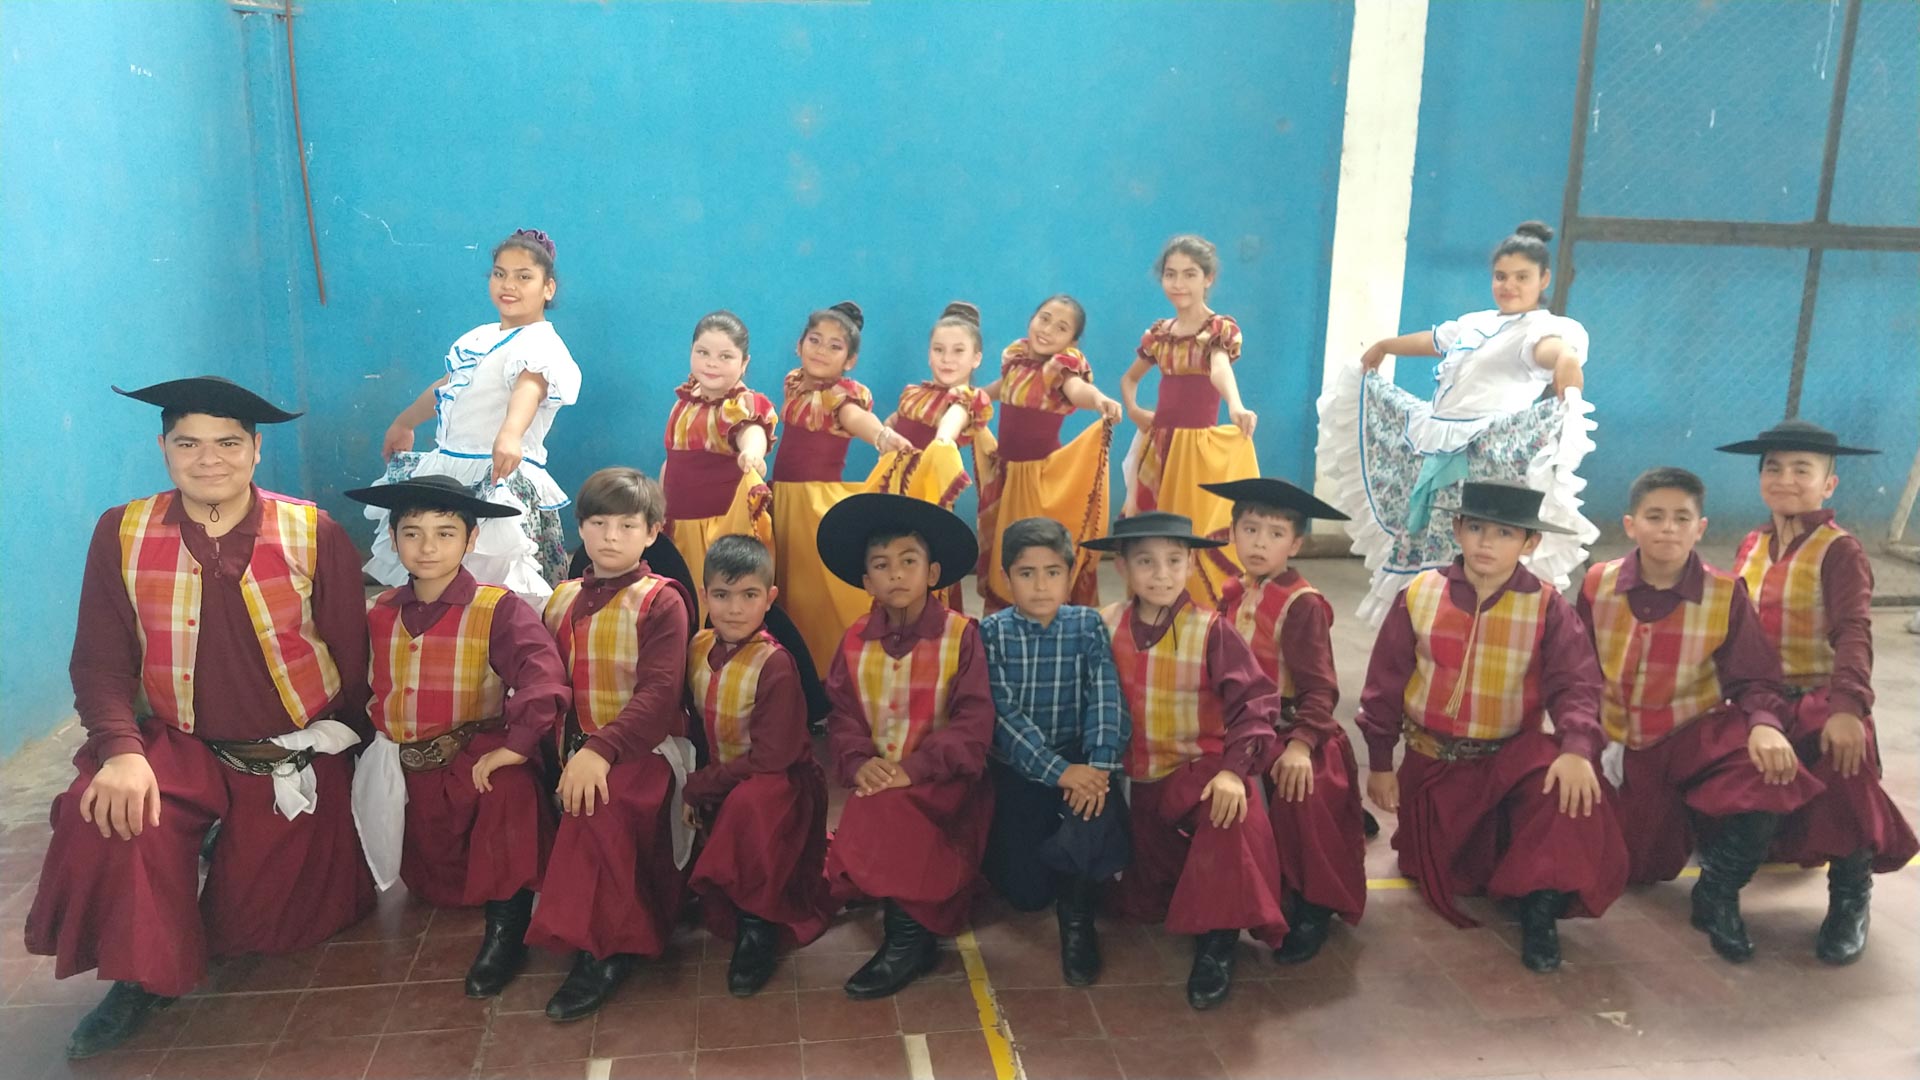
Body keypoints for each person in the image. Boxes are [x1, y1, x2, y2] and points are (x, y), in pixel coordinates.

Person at [26, 377, 373, 1059]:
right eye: (188, 444)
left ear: (256, 450)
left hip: (287, 750)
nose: (208, 459)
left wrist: (354, 754)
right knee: (110, 814)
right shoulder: (122, 531)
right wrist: (121, 752)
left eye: (227, 443)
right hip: (175, 744)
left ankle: (227, 859)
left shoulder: (313, 531)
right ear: (163, 449)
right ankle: (137, 978)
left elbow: (352, 655)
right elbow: (99, 661)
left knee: (260, 932)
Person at [1358, 480, 1627, 972]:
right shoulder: (1419, 595)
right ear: (1457, 529)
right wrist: (1380, 763)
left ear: (1530, 543)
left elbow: (1576, 685)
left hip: (1509, 763)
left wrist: (1576, 748)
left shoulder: (1547, 606)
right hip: (1433, 763)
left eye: (1505, 533)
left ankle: (1540, 907)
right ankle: (1506, 866)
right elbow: (1384, 685)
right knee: (1437, 868)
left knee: (1565, 788)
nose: (1487, 543)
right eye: (1477, 528)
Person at [1573, 466, 1824, 963]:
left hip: (1692, 734)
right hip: (1617, 743)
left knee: (1770, 772)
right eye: (1655, 516)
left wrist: (1765, 725)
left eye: (1681, 518)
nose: (1668, 528)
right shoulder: (1597, 583)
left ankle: (1719, 891)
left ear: (1700, 528)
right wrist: (1578, 739)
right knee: (1637, 867)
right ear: (1630, 525)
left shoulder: (1725, 593)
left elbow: (1754, 677)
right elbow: (1576, 671)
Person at [344, 475, 570, 996]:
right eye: (412, 533)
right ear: (393, 539)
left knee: (510, 792)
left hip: (473, 759)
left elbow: (543, 677)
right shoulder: (379, 612)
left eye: (445, 533)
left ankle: (508, 926)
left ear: (471, 540)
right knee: (430, 881)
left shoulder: (498, 608)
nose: (428, 547)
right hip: (406, 767)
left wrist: (516, 746)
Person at [1317, 221, 1598, 625]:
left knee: (1473, 545)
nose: (1509, 285)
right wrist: (1385, 346)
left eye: (1522, 277)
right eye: (1501, 276)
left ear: (1544, 279)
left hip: (1486, 457)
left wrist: (1567, 368)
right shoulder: (1476, 322)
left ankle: (1473, 625)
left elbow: (1554, 353)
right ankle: (1424, 624)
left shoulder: (1539, 330)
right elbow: (1433, 340)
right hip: (1438, 446)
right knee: (1432, 535)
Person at [1719, 419, 1920, 964]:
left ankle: (1851, 895)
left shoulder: (1840, 550)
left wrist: (1848, 708)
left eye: (1801, 470)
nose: (1786, 479)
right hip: (1758, 700)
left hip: (1819, 697)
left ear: (1828, 484)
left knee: (1844, 766)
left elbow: (1854, 631)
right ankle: (1720, 886)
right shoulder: (1752, 542)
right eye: (1774, 468)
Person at [1086, 512, 1289, 1010]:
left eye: (1174, 561)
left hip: (1199, 773)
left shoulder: (1211, 630)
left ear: (1190, 564)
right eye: (1146, 562)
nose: (1162, 574)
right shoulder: (1103, 624)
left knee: (1228, 816)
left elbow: (1256, 704)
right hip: (1135, 784)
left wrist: (1233, 773)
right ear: (1122, 567)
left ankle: (1219, 941)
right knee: (1139, 899)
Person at [526, 468, 697, 1021]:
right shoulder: (560, 599)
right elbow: (544, 682)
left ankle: (607, 947)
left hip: (643, 748)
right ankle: (515, 918)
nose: (611, 536)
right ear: (580, 528)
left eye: (627, 525)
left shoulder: (661, 602)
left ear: (652, 532)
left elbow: (659, 695)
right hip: (571, 746)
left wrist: (600, 751)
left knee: (598, 805)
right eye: (598, 523)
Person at [816, 493, 994, 999]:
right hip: (879, 777)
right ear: (866, 581)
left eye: (909, 561)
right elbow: (842, 714)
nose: (896, 574)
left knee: (889, 811)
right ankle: (907, 914)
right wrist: (859, 761)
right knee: (876, 804)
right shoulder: (854, 640)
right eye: (881, 565)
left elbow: (973, 722)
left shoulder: (961, 636)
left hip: (943, 783)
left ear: (933, 572)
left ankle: (908, 938)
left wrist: (913, 769)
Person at [1201, 478, 1369, 964]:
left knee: (1302, 792)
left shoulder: (1302, 604)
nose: (1259, 543)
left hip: (1294, 727)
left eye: (1275, 534)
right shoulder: (1233, 592)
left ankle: (1315, 905)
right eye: (1250, 529)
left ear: (1295, 544)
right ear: (1232, 532)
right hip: (1241, 725)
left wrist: (1300, 744)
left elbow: (1321, 688)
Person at [369, 228, 581, 603]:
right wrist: (405, 421)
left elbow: (529, 387)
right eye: (500, 274)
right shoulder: (479, 337)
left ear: (548, 288)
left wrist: (510, 434)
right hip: (451, 470)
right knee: (433, 572)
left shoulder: (541, 342)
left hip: (496, 470)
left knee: (493, 580)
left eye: (524, 277)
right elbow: (447, 384)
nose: (508, 285)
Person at [979, 518, 1130, 986]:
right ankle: (1041, 858)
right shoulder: (991, 633)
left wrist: (1098, 767)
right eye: (1026, 573)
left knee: (1091, 818)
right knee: (1026, 895)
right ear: (1006, 578)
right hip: (1021, 769)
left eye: (1052, 572)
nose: (1041, 585)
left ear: (1070, 575)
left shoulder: (1087, 624)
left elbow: (1105, 695)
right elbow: (1003, 716)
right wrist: (1059, 771)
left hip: (1081, 762)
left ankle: (1077, 917)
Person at [682, 535, 832, 996]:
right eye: (722, 595)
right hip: (727, 775)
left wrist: (702, 784)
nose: (734, 609)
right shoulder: (697, 647)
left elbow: (773, 759)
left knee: (753, 803)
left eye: (749, 595)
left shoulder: (776, 663)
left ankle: (758, 923)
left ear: (770, 598)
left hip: (779, 785)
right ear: (704, 596)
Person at [769, 302, 915, 671]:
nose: (821, 350)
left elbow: (856, 417)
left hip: (813, 505)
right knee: (788, 587)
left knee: (816, 590)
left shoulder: (841, 397)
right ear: (799, 345)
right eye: (815, 340)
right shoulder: (795, 383)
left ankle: (831, 665)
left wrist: (882, 436)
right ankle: (794, 664)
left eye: (835, 346)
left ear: (850, 360)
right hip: (784, 498)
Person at [1119, 234, 1260, 607]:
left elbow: (1219, 368)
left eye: (1190, 274)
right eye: (1170, 274)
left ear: (1208, 278)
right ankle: (1151, 611)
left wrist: (1235, 405)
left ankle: (1199, 612)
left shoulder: (1217, 330)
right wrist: (1133, 410)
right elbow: (1129, 379)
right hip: (1158, 448)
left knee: (1191, 529)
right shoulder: (1159, 334)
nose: (1178, 283)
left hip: (1195, 451)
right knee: (1151, 529)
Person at [975, 294, 1120, 612]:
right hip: (1007, 474)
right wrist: (968, 397)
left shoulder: (1061, 370)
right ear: (1032, 318)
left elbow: (1078, 391)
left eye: (1061, 327)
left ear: (1072, 342)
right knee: (1006, 550)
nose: (1048, 329)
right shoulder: (1016, 359)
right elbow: (1000, 388)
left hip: (1038, 479)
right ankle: (1007, 621)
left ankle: (1046, 616)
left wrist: (1098, 399)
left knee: (1033, 548)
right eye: (1044, 318)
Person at [872, 301, 996, 612]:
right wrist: (886, 434)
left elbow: (950, 423)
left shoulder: (967, 399)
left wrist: (942, 441)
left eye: (958, 351)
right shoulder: (915, 393)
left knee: (920, 553)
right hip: (892, 483)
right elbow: (896, 421)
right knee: (887, 552)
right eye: (939, 350)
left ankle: (929, 620)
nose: (947, 358)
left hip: (927, 489)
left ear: (976, 358)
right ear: (929, 354)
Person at [661, 311, 778, 599]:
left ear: (744, 363)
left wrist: (752, 453)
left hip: (721, 527)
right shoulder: (685, 402)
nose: (712, 363)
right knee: (683, 596)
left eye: (725, 356)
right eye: (703, 352)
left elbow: (752, 430)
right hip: (678, 522)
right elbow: (673, 459)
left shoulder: (739, 404)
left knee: (715, 596)